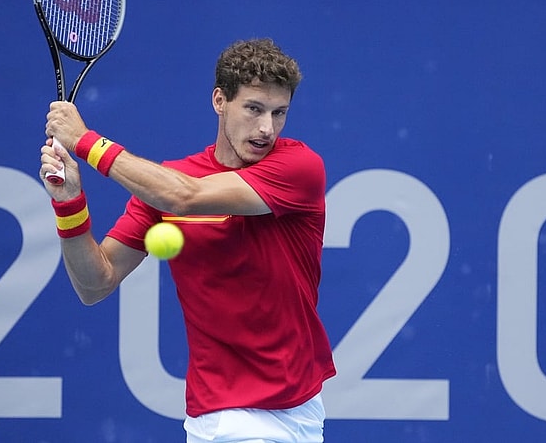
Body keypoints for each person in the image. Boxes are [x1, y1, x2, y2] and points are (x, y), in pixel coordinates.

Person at [39, 38, 336, 442]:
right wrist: (69, 203)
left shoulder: (299, 167)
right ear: (220, 101)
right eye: (254, 109)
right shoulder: (166, 182)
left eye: (278, 112)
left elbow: (184, 196)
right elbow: (95, 283)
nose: (266, 128)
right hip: (217, 419)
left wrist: (85, 141)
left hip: (298, 412)